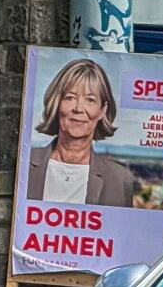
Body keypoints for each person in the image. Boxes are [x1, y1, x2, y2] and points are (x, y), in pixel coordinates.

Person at [24, 57, 138, 208]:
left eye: (90, 100)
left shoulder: (120, 179)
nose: (78, 108)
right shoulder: (25, 163)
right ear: (56, 103)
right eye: (70, 98)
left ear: (102, 110)